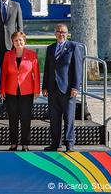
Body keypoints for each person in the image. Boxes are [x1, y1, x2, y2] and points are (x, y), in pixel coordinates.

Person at [42, 23, 83, 151]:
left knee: (69, 117)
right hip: (52, 89)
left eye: (64, 32)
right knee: (54, 118)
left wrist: (75, 87)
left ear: (67, 34)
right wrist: (44, 87)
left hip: (67, 89)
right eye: (59, 32)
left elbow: (77, 69)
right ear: (55, 33)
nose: (61, 34)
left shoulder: (73, 47)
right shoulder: (50, 48)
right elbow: (47, 68)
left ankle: (69, 143)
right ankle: (55, 143)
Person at [1, 31, 40, 151]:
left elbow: (36, 74)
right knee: (12, 118)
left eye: (21, 40)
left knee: (25, 118)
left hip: (27, 91)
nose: (19, 42)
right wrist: (2, 89)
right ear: (13, 42)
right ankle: (13, 143)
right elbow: (4, 74)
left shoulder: (32, 55)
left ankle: (25, 143)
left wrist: (36, 90)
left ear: (25, 41)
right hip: (11, 91)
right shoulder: (8, 55)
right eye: (16, 40)